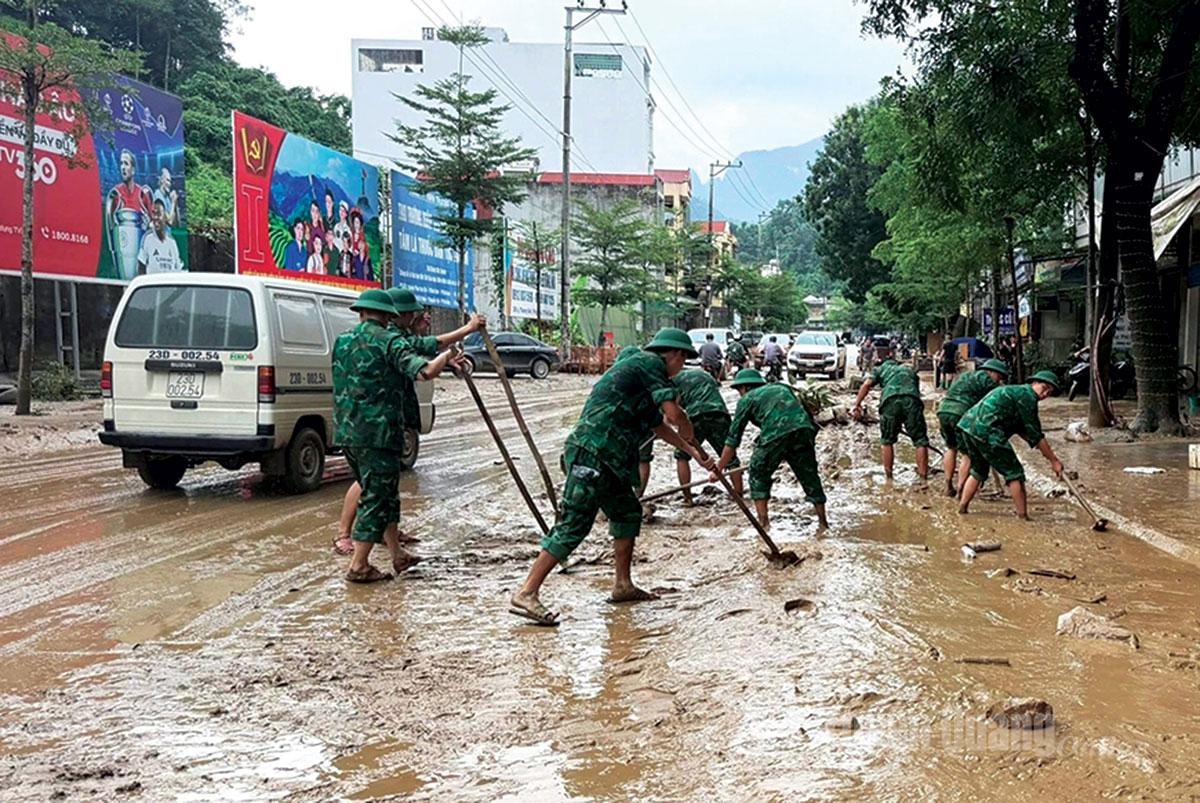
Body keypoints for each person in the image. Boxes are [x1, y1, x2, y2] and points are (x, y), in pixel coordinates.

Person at [509, 328, 715, 626]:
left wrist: (696, 454)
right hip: (592, 452)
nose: (680, 370)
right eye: (683, 362)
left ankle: (622, 585)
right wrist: (689, 429)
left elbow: (659, 427)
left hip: (612, 462)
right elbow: (674, 414)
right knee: (574, 524)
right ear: (675, 355)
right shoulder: (650, 364)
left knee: (627, 513)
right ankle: (527, 592)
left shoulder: (639, 386)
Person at [332, 287, 486, 555]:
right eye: (415, 314)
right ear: (392, 315)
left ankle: (397, 554)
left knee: (385, 494)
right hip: (378, 431)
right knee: (376, 497)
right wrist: (448, 356)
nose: (421, 318)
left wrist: (450, 350)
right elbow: (424, 371)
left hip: (347, 429)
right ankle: (359, 563)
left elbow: (425, 346)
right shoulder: (389, 341)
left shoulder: (343, 340)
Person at [712, 368, 828, 530]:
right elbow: (806, 415)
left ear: (744, 388)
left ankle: (764, 523)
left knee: (757, 473)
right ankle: (823, 523)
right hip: (804, 430)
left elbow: (732, 440)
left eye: (739, 390)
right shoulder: (782, 387)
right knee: (809, 475)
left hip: (775, 434)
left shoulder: (747, 399)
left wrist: (719, 468)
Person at [956, 370, 1065, 520]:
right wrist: (1054, 461)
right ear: (1034, 383)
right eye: (1044, 387)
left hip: (968, 426)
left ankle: (962, 508)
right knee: (1015, 474)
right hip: (987, 431)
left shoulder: (1015, 391)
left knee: (979, 470)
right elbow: (1037, 435)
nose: (1045, 393)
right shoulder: (1028, 397)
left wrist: (1037, 446)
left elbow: (1022, 430)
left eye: (1050, 392)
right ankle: (1023, 516)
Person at [936, 358, 1009, 496]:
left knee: (951, 448)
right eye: (999, 376)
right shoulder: (987, 381)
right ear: (991, 372)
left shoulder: (966, 375)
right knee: (968, 454)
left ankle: (948, 485)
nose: (999, 380)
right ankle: (961, 490)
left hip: (944, 410)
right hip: (960, 413)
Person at [672, 366, 743, 505]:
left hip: (695, 417)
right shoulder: (704, 374)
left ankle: (688, 498)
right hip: (719, 414)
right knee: (730, 457)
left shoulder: (674, 380)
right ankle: (739, 495)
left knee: (682, 455)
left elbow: (674, 409)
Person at [851, 356, 930, 480]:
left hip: (890, 402)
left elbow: (866, 385)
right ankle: (923, 478)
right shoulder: (909, 371)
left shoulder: (880, 369)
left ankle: (889, 477)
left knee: (887, 440)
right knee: (920, 440)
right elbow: (916, 391)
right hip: (912, 401)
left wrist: (857, 405)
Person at [136, 199, 183, 274]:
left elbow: (178, 269)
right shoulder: (148, 239)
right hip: (153, 284)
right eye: (154, 214)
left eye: (158, 214)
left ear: (165, 217)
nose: (155, 217)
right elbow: (141, 266)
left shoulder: (172, 243)